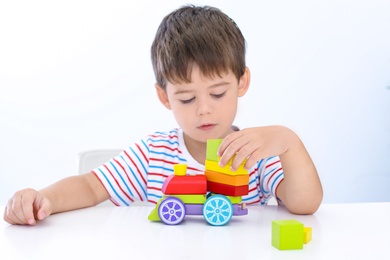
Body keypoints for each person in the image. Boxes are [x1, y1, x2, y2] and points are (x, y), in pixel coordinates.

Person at [3, 5, 323, 225]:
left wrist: (288, 141)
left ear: (242, 82)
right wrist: (41, 198)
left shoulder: (255, 151)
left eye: (217, 93)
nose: (204, 108)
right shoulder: (153, 154)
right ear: (164, 97)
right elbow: (90, 186)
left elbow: (305, 204)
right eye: (186, 98)